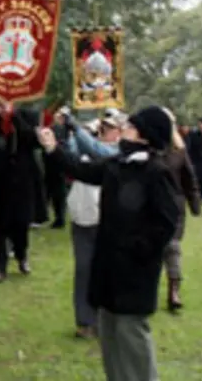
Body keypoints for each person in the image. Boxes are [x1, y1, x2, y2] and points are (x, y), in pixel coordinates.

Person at [38, 106, 180, 381]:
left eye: (131, 124)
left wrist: (136, 250)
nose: (125, 127)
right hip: (108, 268)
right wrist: (53, 149)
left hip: (134, 272)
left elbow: (166, 223)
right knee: (110, 335)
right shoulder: (117, 164)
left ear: (145, 134)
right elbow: (82, 170)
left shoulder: (155, 171)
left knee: (132, 337)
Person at [63, 113, 123, 339]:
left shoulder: (117, 152)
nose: (105, 131)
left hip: (107, 221)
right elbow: (71, 156)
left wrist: (79, 131)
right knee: (83, 270)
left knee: (107, 271)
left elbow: (99, 152)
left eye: (110, 127)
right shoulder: (88, 147)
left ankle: (107, 319)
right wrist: (77, 132)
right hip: (82, 218)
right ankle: (85, 321)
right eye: (103, 127)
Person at [0, 101, 41, 282]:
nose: (1, 109)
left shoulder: (26, 118)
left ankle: (21, 255)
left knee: (20, 225)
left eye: (5, 105)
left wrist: (15, 119)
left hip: (22, 184)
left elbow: (34, 142)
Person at [161, 108, 201, 313]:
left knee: (172, 247)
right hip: (150, 207)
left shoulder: (179, 151)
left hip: (174, 206)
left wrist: (194, 203)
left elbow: (189, 179)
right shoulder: (149, 149)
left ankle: (173, 291)